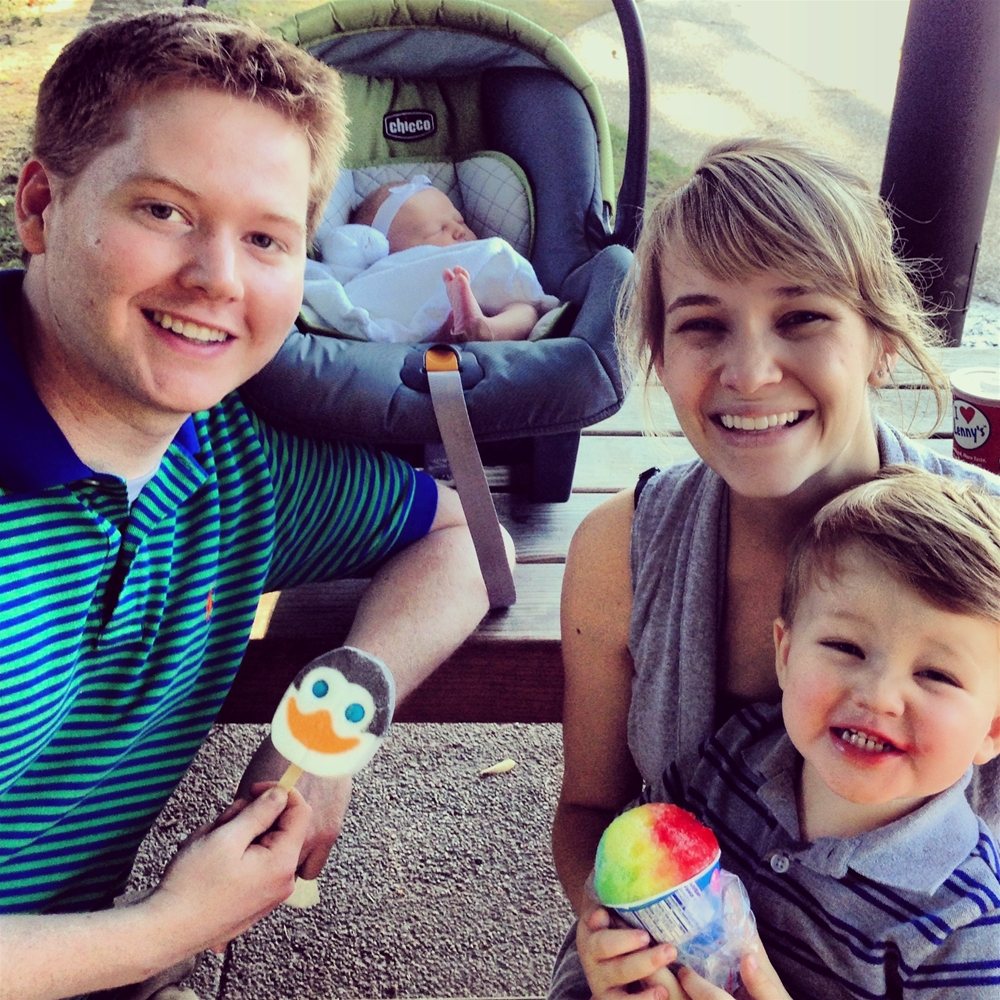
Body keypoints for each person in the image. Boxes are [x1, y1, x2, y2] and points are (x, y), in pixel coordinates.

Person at [0, 10, 493, 1000]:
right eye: (165, 211)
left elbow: (464, 540)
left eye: (265, 237)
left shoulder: (230, 463)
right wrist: (166, 932)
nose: (218, 278)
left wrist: (324, 732)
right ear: (42, 205)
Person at [549, 138, 1000, 1000]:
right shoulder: (624, 549)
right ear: (660, 353)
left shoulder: (990, 564)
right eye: (703, 324)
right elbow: (590, 812)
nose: (751, 372)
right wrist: (618, 942)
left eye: (802, 318)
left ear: (881, 342)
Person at [578, 466, 1000, 999]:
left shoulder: (964, 917)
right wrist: (614, 950)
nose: (878, 696)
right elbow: (629, 859)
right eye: (846, 647)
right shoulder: (735, 755)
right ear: (784, 653)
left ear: (993, 729)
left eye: (936, 675)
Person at [302, 174, 559, 344]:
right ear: (387, 249)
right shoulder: (390, 269)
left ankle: (484, 328)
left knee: (524, 309)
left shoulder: (479, 252)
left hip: (482, 295)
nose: (460, 230)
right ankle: (451, 326)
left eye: (459, 221)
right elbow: (360, 292)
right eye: (437, 229)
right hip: (428, 297)